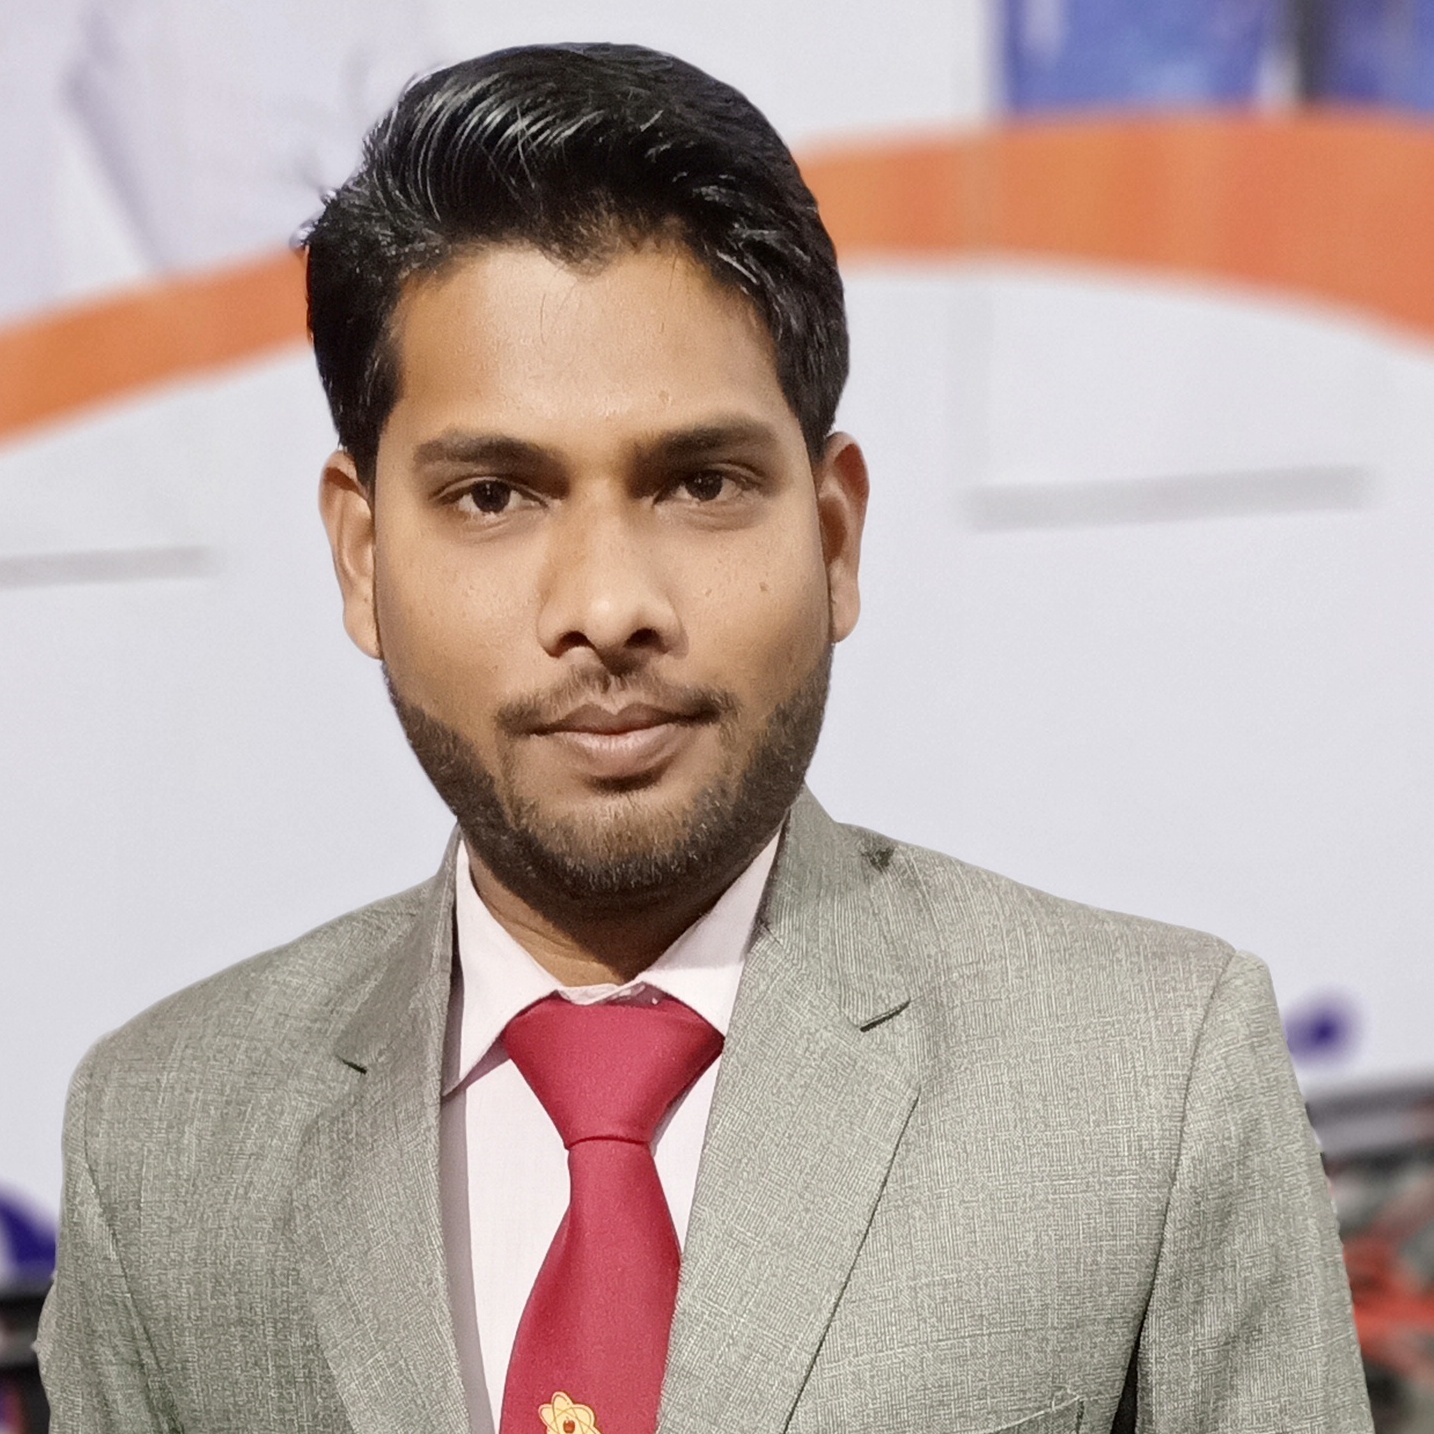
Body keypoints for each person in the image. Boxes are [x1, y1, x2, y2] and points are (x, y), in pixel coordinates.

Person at [36, 42, 1372, 1434]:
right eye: (493, 496)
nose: (608, 605)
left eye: (700, 483)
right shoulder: (166, 1139)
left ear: (834, 535)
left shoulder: (1151, 1077)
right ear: (363, 557)